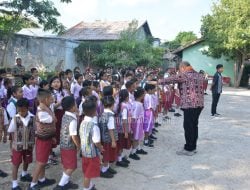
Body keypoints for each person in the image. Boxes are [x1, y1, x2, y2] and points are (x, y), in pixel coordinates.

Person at [161, 61, 204, 156]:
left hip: (190, 104)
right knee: (194, 126)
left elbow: (171, 79)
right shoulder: (198, 75)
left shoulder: (185, 75)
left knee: (188, 127)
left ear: (183, 67)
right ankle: (193, 147)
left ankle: (189, 149)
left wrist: (158, 81)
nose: (180, 71)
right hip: (199, 104)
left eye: (180, 69)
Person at [29, 89, 56, 190]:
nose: (52, 100)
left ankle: (42, 179)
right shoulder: (42, 112)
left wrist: (52, 136)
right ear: (45, 99)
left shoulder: (46, 108)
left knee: (43, 161)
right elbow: (53, 119)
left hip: (47, 138)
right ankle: (33, 184)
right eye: (51, 98)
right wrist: (51, 112)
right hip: (42, 140)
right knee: (40, 162)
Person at [8, 98, 35, 190]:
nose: (20, 112)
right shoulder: (15, 119)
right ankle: (14, 184)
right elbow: (11, 132)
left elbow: (35, 130)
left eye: (23, 110)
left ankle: (24, 174)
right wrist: (11, 147)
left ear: (28, 108)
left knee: (27, 160)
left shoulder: (33, 118)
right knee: (16, 163)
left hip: (29, 145)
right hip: (17, 146)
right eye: (19, 110)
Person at [53, 96, 80, 190]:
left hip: (63, 145)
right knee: (72, 166)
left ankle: (66, 182)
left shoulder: (65, 115)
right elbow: (73, 135)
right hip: (70, 146)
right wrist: (78, 146)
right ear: (73, 107)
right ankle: (60, 185)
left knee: (66, 165)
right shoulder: (72, 120)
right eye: (76, 104)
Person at [79, 99, 104, 190]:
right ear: (94, 111)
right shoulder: (94, 126)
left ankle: (90, 186)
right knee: (88, 174)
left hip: (84, 151)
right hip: (92, 153)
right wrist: (101, 148)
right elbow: (97, 141)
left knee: (86, 171)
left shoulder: (82, 122)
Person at [99, 96, 118, 178]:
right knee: (107, 155)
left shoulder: (103, 113)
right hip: (109, 139)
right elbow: (111, 129)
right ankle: (103, 170)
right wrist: (113, 141)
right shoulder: (110, 116)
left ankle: (107, 167)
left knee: (107, 154)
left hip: (103, 137)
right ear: (112, 105)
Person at [131, 87, 148, 156]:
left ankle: (138, 148)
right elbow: (134, 116)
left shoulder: (134, 102)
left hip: (138, 123)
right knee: (136, 137)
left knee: (137, 136)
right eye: (144, 93)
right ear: (141, 95)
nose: (145, 95)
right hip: (137, 123)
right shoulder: (139, 105)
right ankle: (133, 152)